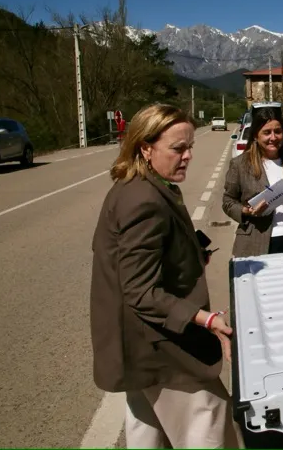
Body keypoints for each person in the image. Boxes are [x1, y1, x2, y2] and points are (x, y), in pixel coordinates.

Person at [90, 103, 241, 448]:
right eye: (178, 148)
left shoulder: (141, 185)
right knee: (210, 424)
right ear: (146, 148)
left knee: (147, 435)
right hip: (159, 347)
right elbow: (140, 291)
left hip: (138, 346)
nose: (187, 156)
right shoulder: (143, 201)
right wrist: (207, 320)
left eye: (190, 146)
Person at [222, 107, 283, 257]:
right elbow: (228, 202)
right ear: (255, 136)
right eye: (266, 132)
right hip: (256, 241)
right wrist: (247, 211)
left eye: (278, 131)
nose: (273, 137)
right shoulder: (240, 164)